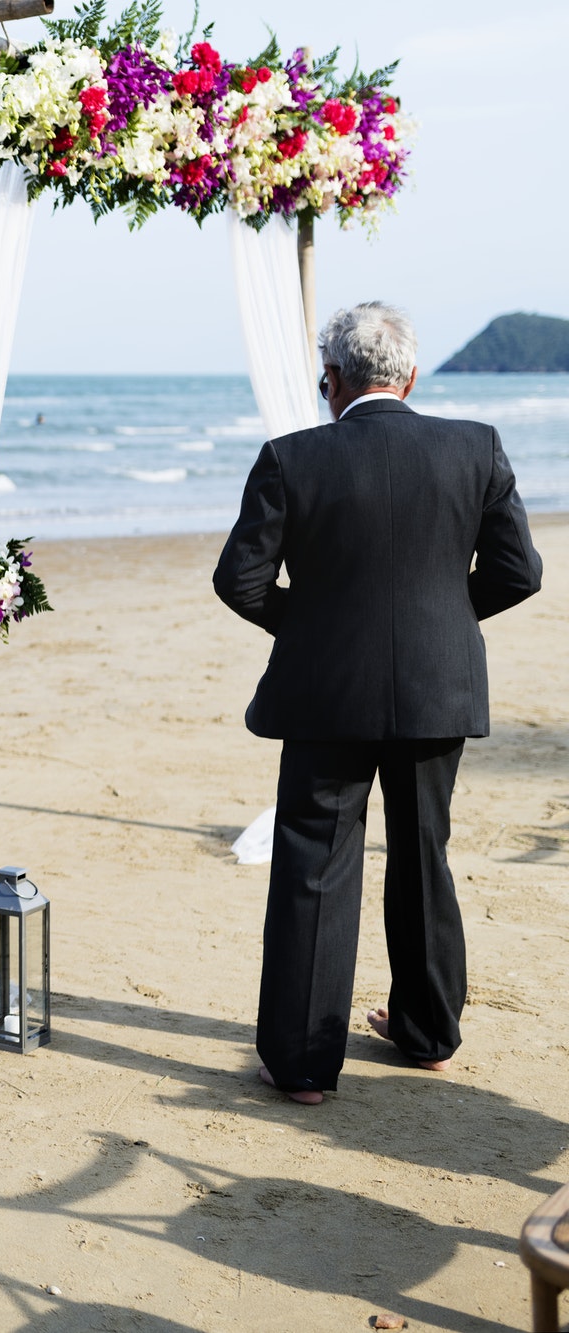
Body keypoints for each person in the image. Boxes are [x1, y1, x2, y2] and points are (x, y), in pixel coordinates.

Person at [213, 302, 542, 1105]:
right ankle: (428, 1034)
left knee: (315, 868)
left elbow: (240, 581)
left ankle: (301, 1064)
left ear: (332, 381)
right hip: (440, 687)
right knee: (423, 854)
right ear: (410, 376)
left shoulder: (291, 458)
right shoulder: (477, 447)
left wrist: (317, 627)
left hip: (327, 693)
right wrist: (444, 617)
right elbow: (519, 572)